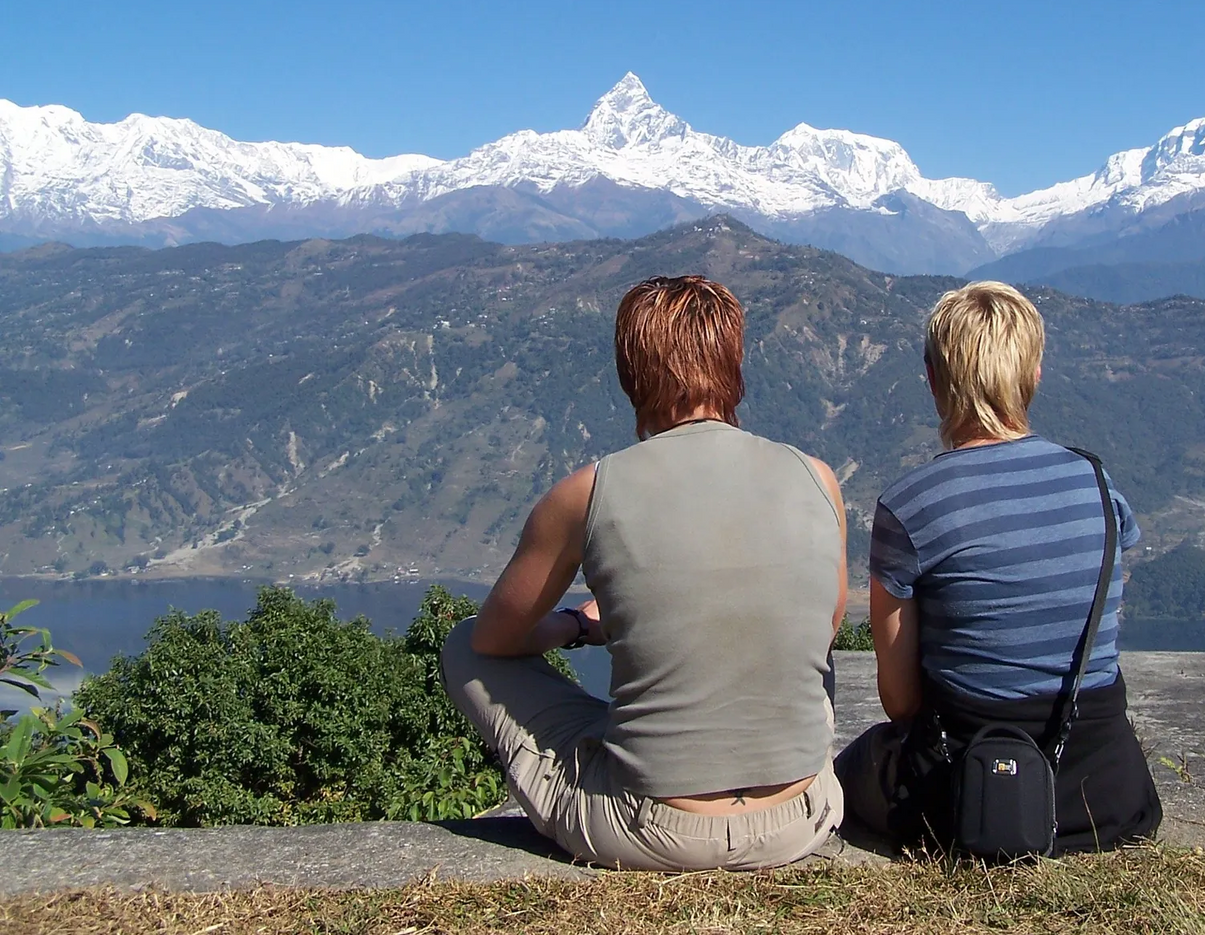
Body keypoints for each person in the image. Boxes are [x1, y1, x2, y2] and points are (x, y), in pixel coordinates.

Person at [441, 275, 849, 870]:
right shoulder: (818, 477)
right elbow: (828, 628)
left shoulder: (587, 492)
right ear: (734, 364)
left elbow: (494, 641)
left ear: (630, 373)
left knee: (462, 646)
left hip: (649, 830)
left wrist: (580, 627)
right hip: (803, 817)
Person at [834, 280, 1161, 854]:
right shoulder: (1097, 482)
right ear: (1035, 375)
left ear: (933, 381)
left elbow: (902, 702)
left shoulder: (910, 506)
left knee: (851, 769)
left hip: (965, 790)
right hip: (1101, 794)